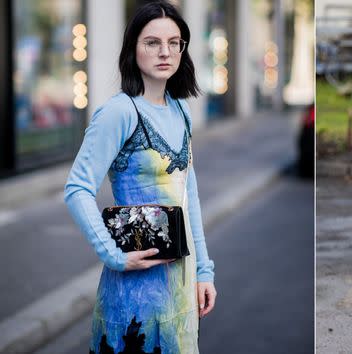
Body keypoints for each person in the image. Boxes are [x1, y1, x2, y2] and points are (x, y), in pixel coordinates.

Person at [64, 2, 216, 353]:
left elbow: (187, 194)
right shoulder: (119, 112)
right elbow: (77, 188)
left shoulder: (181, 109)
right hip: (134, 291)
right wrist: (113, 255)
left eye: (174, 42)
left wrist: (204, 271)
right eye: (152, 42)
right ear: (133, 48)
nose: (165, 52)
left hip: (181, 285)